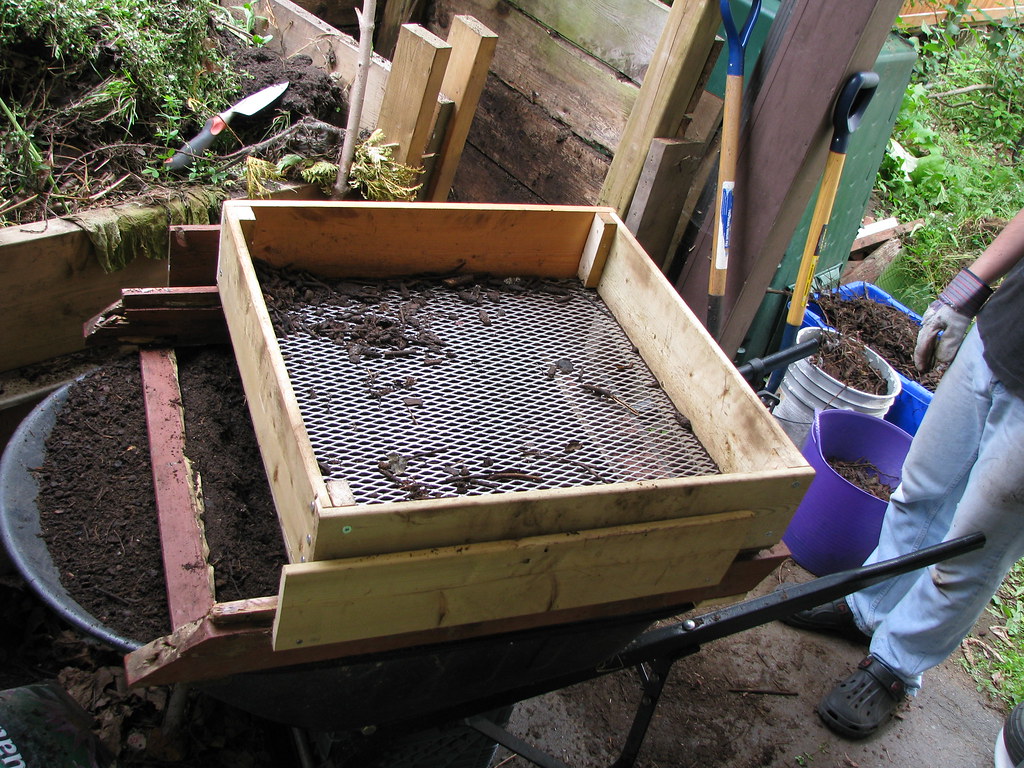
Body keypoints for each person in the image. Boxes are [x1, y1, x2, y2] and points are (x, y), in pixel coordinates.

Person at [783, 207, 1024, 739]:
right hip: (1002, 336)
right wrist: (967, 290)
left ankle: (897, 663)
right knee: (919, 488)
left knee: (973, 546)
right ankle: (868, 605)